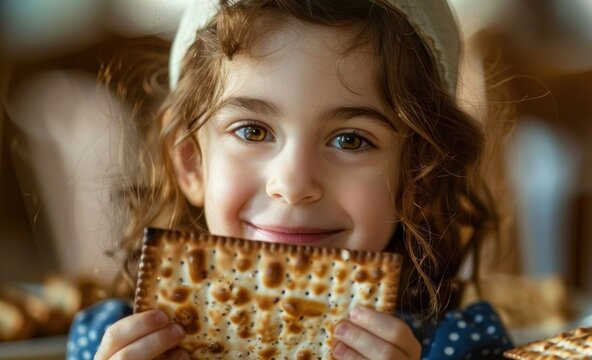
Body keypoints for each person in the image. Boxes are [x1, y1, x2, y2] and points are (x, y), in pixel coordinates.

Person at [66, 0, 512, 359]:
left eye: (351, 140)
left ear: (418, 177)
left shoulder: (458, 350)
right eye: (252, 131)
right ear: (190, 161)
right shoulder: (114, 345)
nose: (295, 183)